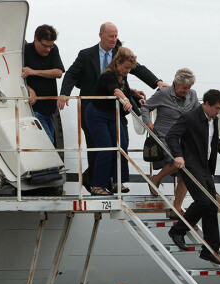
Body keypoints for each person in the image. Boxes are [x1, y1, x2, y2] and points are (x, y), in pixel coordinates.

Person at [58, 22, 167, 190]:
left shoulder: (120, 54)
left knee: (122, 144)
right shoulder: (86, 55)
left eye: (116, 36)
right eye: (111, 36)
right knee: (97, 147)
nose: (114, 39)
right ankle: (96, 183)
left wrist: (156, 82)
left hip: (116, 109)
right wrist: (64, 93)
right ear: (100, 35)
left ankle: (113, 181)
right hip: (92, 109)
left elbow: (138, 69)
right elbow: (72, 74)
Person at [166, 89, 220, 265]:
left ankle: (211, 250)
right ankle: (178, 230)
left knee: (211, 207)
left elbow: (213, 139)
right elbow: (171, 136)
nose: (218, 112)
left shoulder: (213, 120)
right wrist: (178, 155)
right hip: (191, 165)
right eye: (217, 108)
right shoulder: (190, 118)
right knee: (203, 201)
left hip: (206, 167)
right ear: (207, 104)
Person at [140, 68, 199, 214]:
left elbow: (198, 113)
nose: (187, 91)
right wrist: (148, 122)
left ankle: (176, 209)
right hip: (164, 136)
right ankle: (157, 179)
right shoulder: (163, 93)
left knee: (186, 174)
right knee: (179, 162)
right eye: (184, 87)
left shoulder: (192, 95)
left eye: (189, 88)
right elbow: (145, 107)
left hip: (183, 138)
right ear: (176, 84)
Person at [85, 47, 143, 195]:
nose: (128, 71)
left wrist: (135, 96)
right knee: (106, 148)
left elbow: (124, 90)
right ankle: (97, 185)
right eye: (126, 67)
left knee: (121, 146)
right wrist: (125, 100)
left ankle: (117, 181)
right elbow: (116, 90)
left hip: (112, 114)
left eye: (130, 68)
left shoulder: (122, 76)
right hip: (97, 114)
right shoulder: (109, 75)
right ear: (117, 63)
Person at [23, 24, 65, 143]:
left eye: (50, 46)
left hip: (50, 109)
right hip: (33, 110)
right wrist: (29, 89)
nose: (48, 50)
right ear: (36, 39)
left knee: (49, 144)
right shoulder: (25, 51)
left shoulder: (53, 50)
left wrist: (34, 72)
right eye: (45, 46)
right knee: (48, 144)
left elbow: (58, 72)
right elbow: (15, 76)